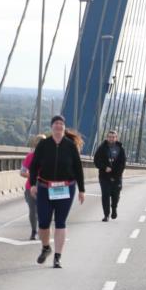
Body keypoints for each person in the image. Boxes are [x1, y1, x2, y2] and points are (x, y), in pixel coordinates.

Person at [28, 115, 85, 268]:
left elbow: (78, 168)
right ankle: (46, 247)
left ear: (64, 127)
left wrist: (82, 190)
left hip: (66, 188)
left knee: (60, 222)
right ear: (51, 127)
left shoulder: (70, 145)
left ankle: (57, 257)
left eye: (61, 124)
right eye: (56, 123)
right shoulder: (44, 144)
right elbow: (33, 166)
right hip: (45, 187)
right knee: (44, 222)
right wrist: (33, 184)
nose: (59, 126)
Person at [93, 130, 126, 222]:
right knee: (105, 195)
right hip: (104, 176)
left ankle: (114, 208)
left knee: (116, 195)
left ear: (116, 138)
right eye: (110, 137)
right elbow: (96, 161)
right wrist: (104, 167)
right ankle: (106, 215)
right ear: (107, 137)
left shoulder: (121, 149)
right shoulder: (101, 148)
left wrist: (116, 174)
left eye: (113, 137)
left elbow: (122, 164)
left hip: (117, 177)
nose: (111, 138)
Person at [19, 134, 44, 240]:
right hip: (31, 187)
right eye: (39, 143)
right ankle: (34, 231)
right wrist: (33, 175)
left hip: (45, 187)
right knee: (32, 210)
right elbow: (22, 172)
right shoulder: (30, 156)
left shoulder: (51, 156)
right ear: (35, 144)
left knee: (42, 211)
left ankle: (42, 229)